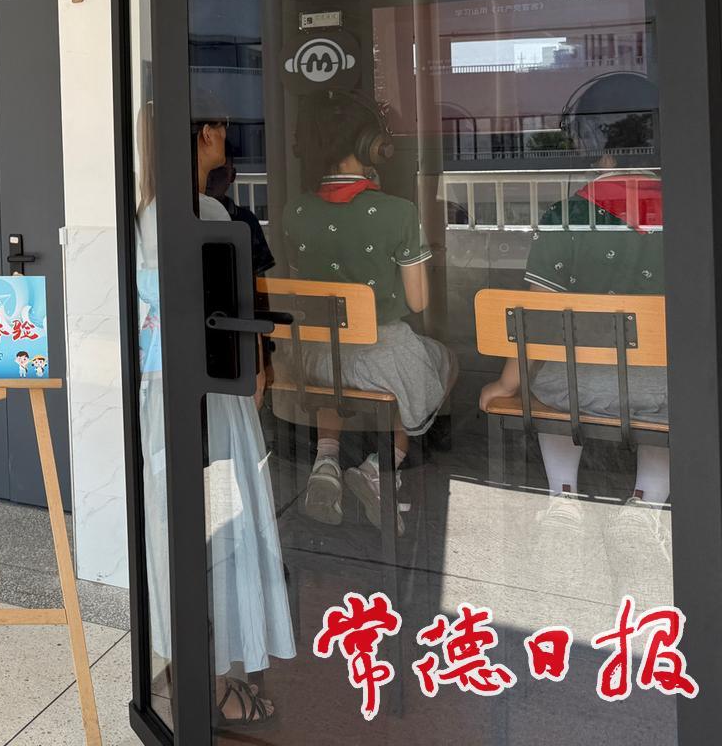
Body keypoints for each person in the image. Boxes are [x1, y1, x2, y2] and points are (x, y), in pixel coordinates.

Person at [135, 104, 292, 727]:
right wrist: (257, 367)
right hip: (212, 392)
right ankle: (222, 676)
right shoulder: (207, 215)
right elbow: (229, 312)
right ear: (204, 135)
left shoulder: (146, 216)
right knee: (225, 523)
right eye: (222, 125)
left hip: (160, 392)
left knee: (171, 525)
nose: (229, 134)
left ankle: (183, 669)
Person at [480, 98, 669, 557]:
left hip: (575, 386)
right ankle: (646, 503)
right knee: (671, 406)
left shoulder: (565, 216)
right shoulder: (692, 211)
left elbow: (537, 320)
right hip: (667, 387)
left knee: (546, 383)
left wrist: (507, 384)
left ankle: (562, 495)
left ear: (601, 155)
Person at [282, 92, 456, 533]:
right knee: (436, 360)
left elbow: (310, 288)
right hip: (380, 360)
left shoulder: (295, 211)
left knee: (334, 351)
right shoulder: (399, 212)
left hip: (312, 360)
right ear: (370, 146)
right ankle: (383, 467)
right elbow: (418, 302)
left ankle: (326, 461)